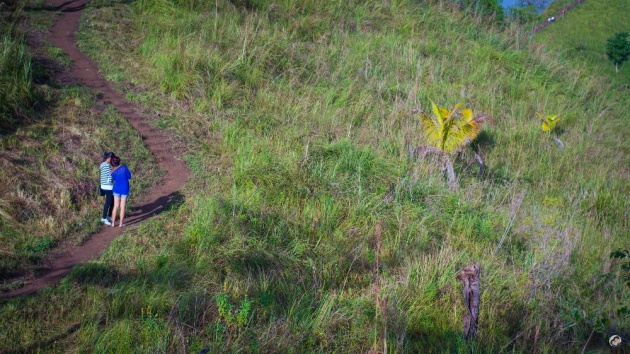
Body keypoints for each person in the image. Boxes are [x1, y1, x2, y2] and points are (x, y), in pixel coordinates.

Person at [110, 156, 132, 227]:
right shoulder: (124, 167)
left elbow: (114, 179)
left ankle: (113, 223)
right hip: (125, 188)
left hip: (117, 188)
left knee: (115, 206)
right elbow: (129, 176)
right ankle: (120, 224)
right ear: (119, 161)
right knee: (122, 206)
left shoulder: (112, 172)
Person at [99, 152, 115, 225]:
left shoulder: (103, 164)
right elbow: (110, 176)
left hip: (104, 186)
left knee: (112, 201)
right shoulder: (106, 165)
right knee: (108, 202)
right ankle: (104, 218)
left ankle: (109, 216)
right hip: (108, 186)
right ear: (109, 158)